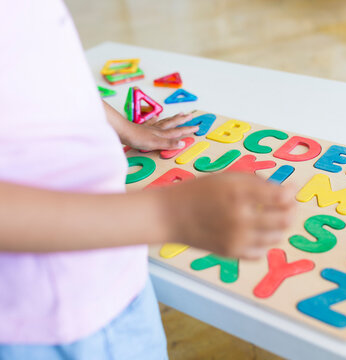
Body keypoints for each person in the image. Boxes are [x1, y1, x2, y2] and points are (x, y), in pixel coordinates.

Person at [0, 1, 296, 359]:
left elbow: (41, 67)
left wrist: (125, 128)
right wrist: (170, 216)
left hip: (111, 271)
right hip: (42, 318)